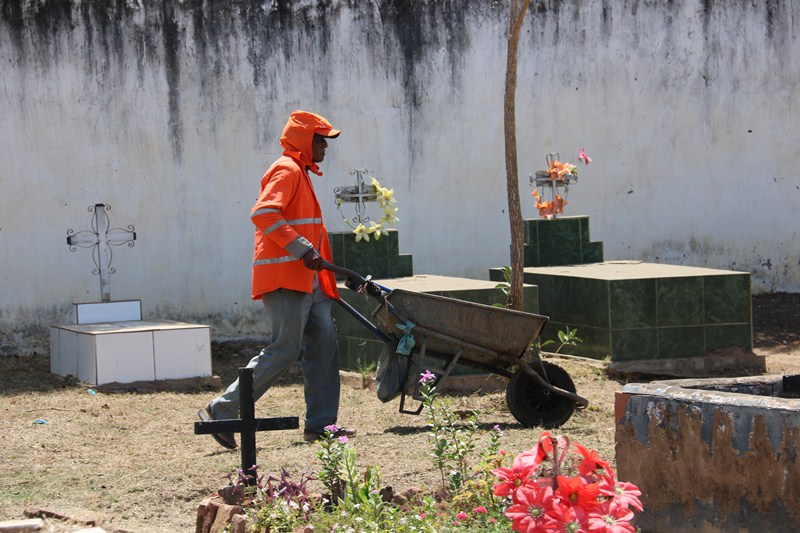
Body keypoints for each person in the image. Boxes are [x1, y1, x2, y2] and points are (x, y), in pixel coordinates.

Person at [198, 110, 355, 447]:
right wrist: (302, 249)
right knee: (285, 349)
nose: (326, 147)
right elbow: (263, 213)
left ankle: (321, 424)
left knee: (324, 345)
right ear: (304, 140)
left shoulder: (301, 173)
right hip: (286, 277)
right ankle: (222, 409)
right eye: (320, 140)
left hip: (308, 280)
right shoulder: (286, 170)